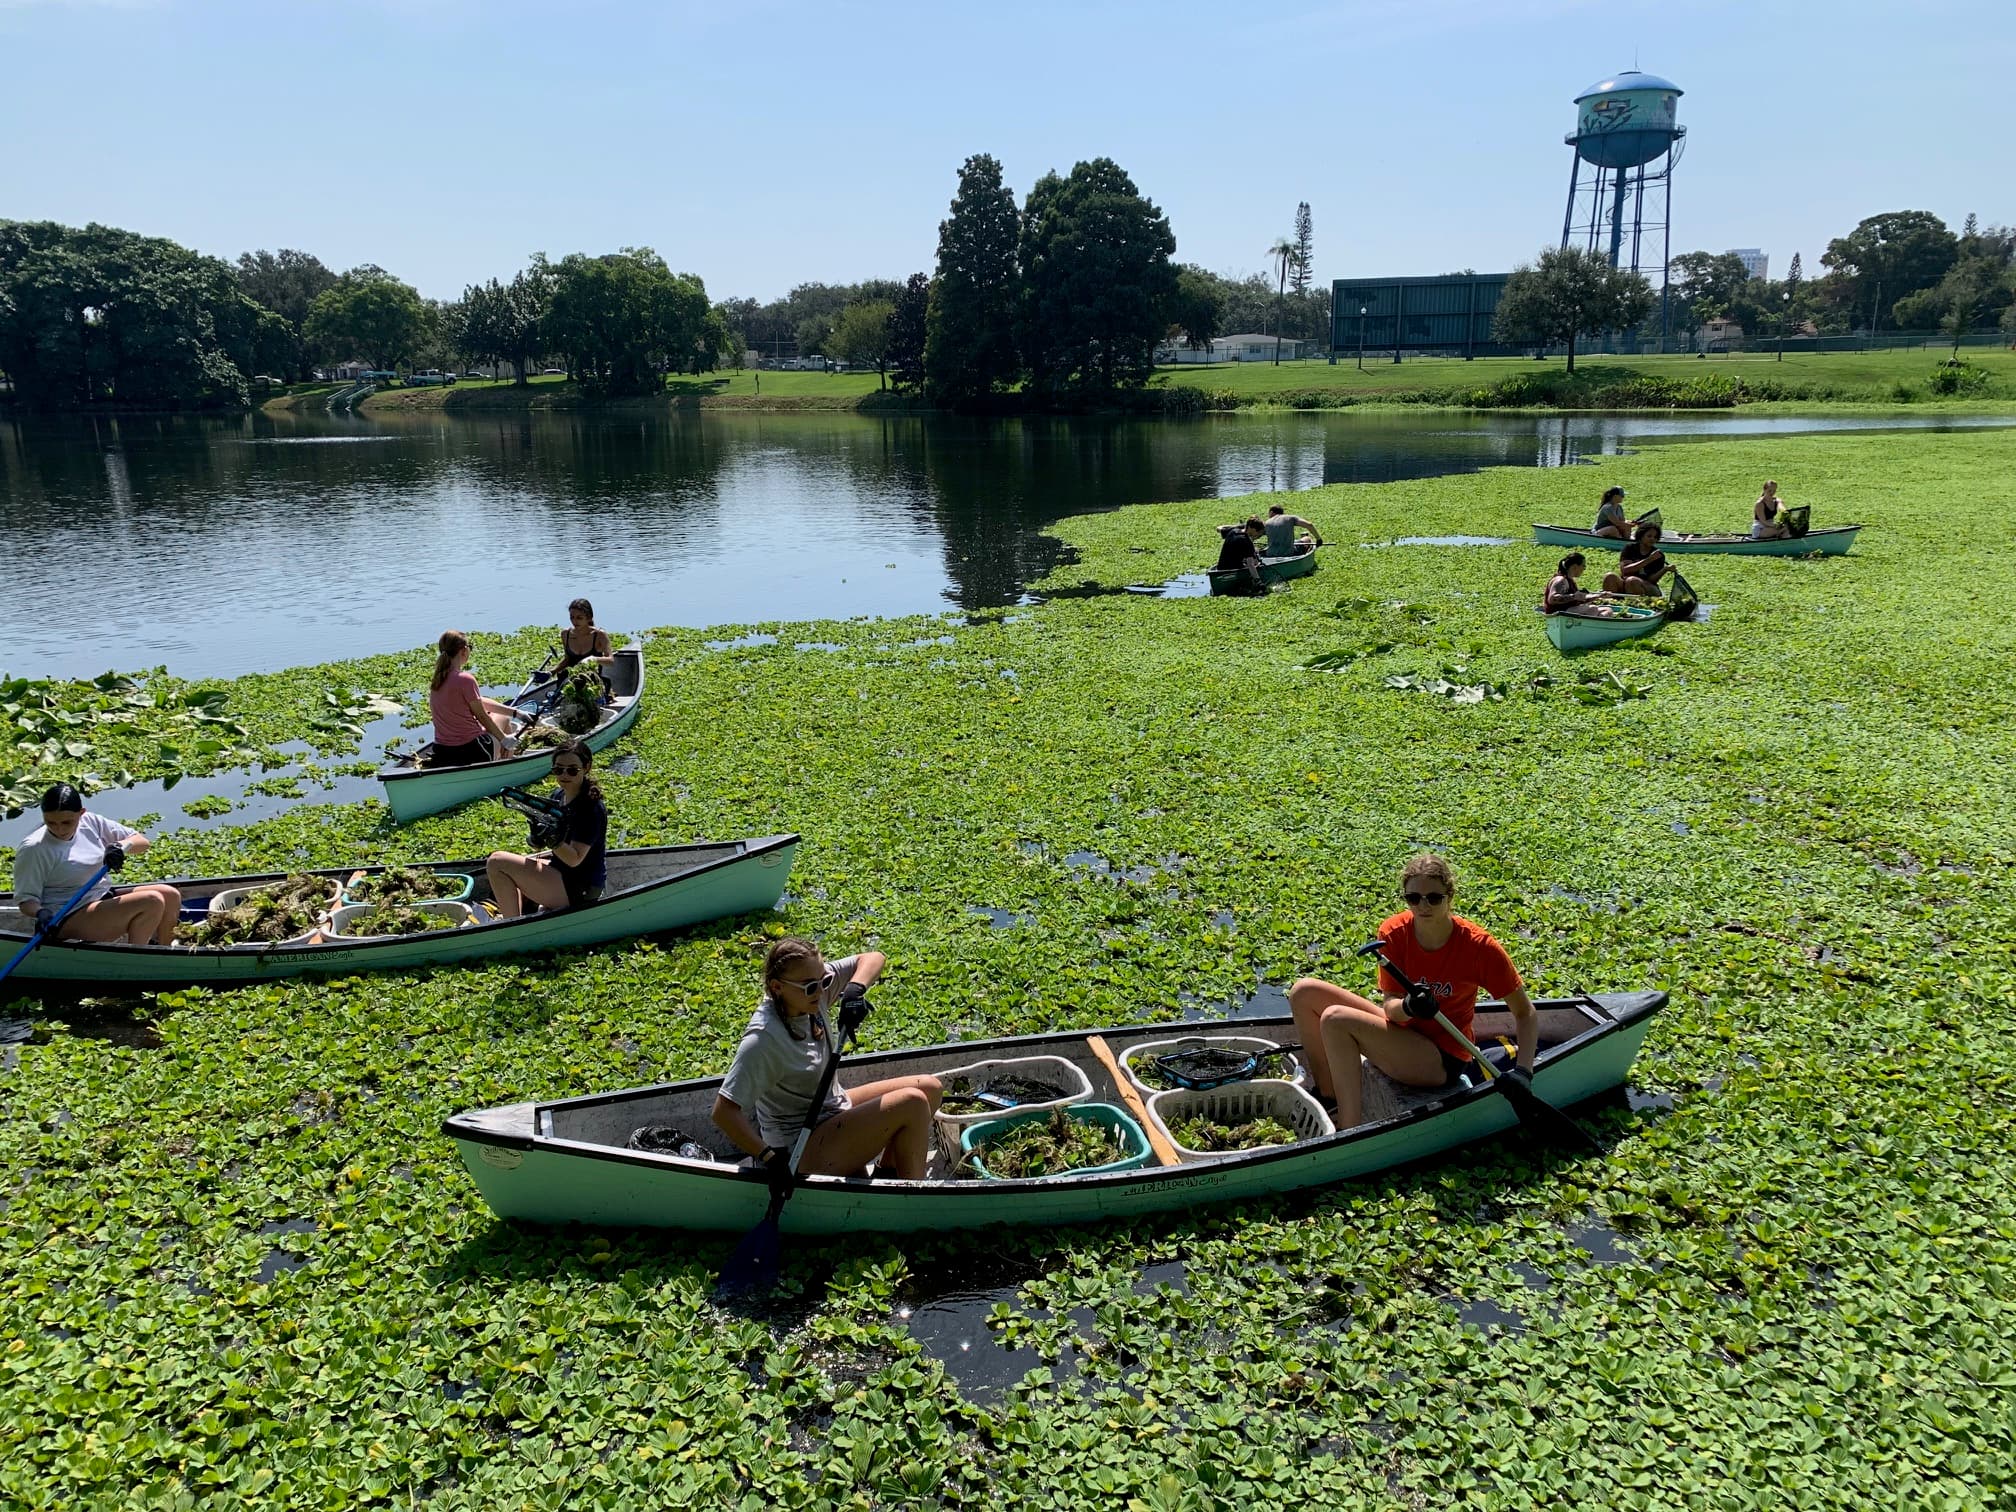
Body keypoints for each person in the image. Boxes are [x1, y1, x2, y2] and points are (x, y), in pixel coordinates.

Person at [1287, 855, 1539, 1128]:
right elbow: (1391, 1009)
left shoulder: (1480, 948)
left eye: (1434, 898)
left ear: (1450, 897)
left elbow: (1525, 1013)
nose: (1423, 906)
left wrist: (1523, 1072)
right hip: (1404, 1030)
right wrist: (1409, 1006)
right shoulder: (1393, 932)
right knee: (1304, 992)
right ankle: (1329, 1097)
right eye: (1414, 898)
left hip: (1442, 1056)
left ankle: (1348, 1130)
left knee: (1336, 1019)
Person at [711, 937, 944, 1182]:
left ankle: (889, 1178)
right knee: (913, 1102)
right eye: (811, 987)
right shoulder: (764, 1038)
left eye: (825, 981)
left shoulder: (811, 990)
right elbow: (723, 1112)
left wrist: (854, 990)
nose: (822, 991)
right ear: (777, 987)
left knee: (930, 1088)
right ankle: (910, 1194)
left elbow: (873, 958)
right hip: (800, 1146)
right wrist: (768, 1157)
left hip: (832, 1108)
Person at [11, 783, 181, 946]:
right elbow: (26, 900)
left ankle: (165, 952)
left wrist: (120, 846)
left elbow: (141, 842)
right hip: (65, 917)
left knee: (170, 894)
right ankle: (136, 958)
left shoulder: (91, 822)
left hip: (100, 897)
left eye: (66, 822)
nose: (59, 829)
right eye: (51, 823)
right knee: (151, 900)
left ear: (81, 813)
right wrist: (40, 912)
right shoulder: (34, 848)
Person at [484, 739, 609, 917]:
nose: (564, 775)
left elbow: (574, 859)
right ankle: (516, 914)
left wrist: (552, 838)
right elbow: (542, 845)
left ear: (586, 767)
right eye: (558, 770)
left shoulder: (590, 808)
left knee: (497, 862)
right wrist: (537, 838)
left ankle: (511, 925)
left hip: (582, 887)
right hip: (561, 872)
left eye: (572, 770)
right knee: (515, 862)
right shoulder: (558, 795)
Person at [427, 630, 519, 767]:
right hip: (472, 750)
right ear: (464, 650)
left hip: (442, 751)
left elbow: (479, 701)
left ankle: (501, 757)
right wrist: (504, 739)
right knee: (504, 719)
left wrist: (517, 713)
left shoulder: (437, 680)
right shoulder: (465, 679)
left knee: (500, 717)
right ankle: (506, 765)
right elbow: (481, 715)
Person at [1603, 523, 1670, 597]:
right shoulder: (1630, 548)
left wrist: (1665, 569)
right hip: (1626, 582)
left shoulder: (1658, 555)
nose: (1652, 539)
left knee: (1632, 581)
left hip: (1647, 586)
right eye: (1649, 536)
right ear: (1641, 536)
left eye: (1655, 537)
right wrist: (1649, 559)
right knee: (1610, 576)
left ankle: (1635, 602)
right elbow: (1625, 570)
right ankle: (1611, 600)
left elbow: (1652, 580)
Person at [1214, 519, 1267, 592]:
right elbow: (1251, 565)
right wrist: (1258, 581)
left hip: (1221, 567)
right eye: (1258, 532)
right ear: (1252, 529)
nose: (1258, 535)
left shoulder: (1233, 531)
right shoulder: (1247, 541)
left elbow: (1219, 528)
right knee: (1255, 564)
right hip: (1233, 569)